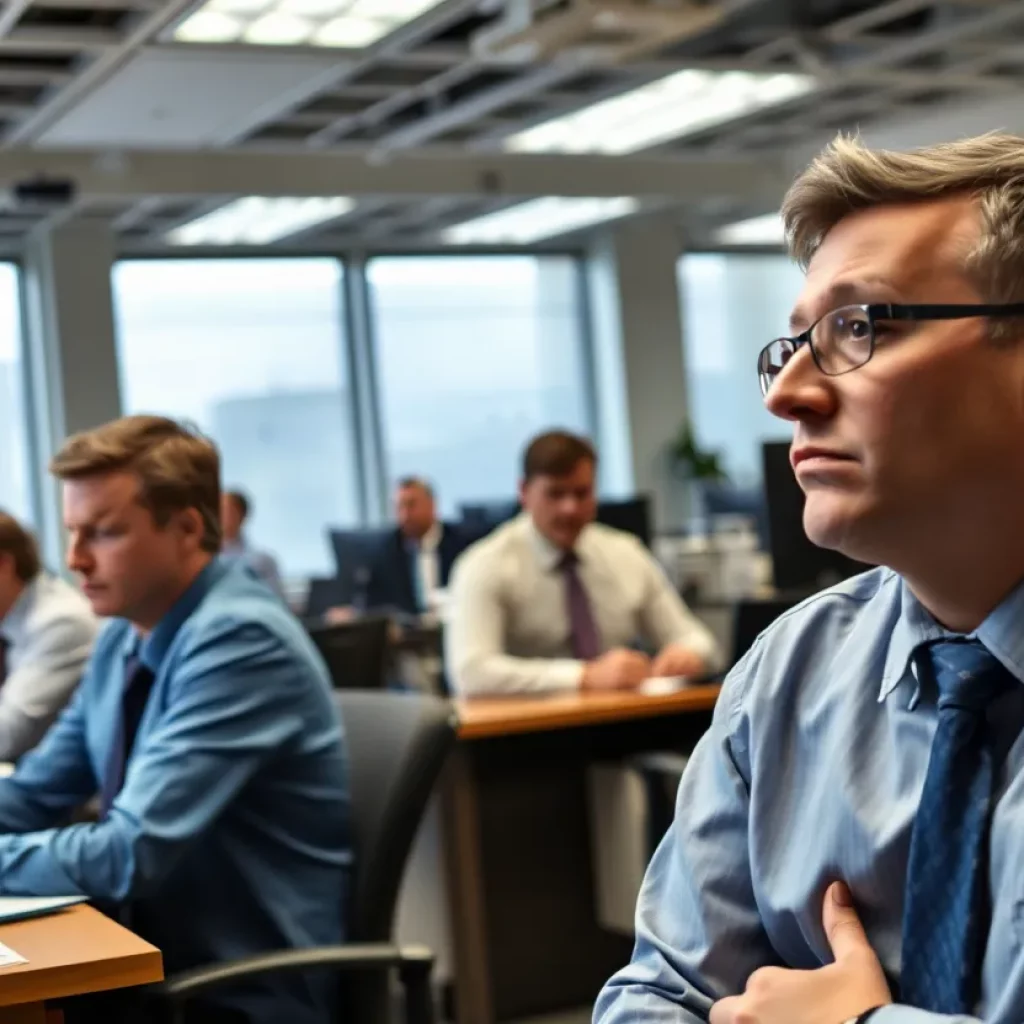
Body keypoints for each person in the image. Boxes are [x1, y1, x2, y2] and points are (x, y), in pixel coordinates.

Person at [594, 133, 1024, 1024]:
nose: (785, 392)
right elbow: (652, 998)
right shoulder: (785, 677)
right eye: (793, 341)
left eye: (858, 325)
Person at [0, 416, 350, 1024]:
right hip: (152, 961)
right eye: (72, 533)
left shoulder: (239, 640)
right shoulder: (124, 637)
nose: (75, 560)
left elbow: (127, 853)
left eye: (102, 534)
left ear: (188, 526)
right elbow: (37, 790)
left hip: (236, 987)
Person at [446, 430, 719, 696]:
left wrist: (689, 654)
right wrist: (584, 676)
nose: (570, 508)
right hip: (526, 733)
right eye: (555, 494)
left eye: (581, 493)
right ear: (524, 492)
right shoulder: (484, 564)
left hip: (627, 725)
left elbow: (700, 641)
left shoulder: (626, 553)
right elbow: (471, 672)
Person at [0, 512, 96, 762]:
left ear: (4, 565)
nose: (74, 560)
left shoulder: (61, 622)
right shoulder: (8, 618)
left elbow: (6, 736)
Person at [361, 477, 467, 615]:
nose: (405, 515)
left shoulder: (462, 544)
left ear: (432, 505)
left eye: (411, 505)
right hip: (409, 633)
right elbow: (372, 605)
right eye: (399, 507)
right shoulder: (385, 553)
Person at [219, 489, 286, 601]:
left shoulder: (262, 562)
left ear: (242, 515)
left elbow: (277, 602)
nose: (218, 516)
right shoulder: (201, 560)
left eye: (225, 511)